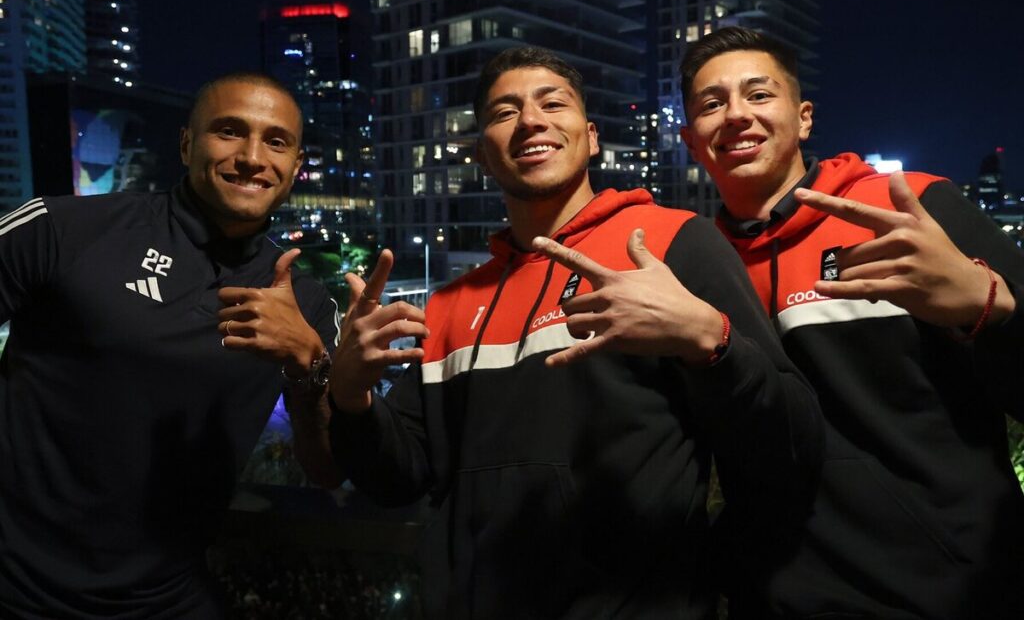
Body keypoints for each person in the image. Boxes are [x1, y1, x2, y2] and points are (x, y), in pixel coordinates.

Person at [327, 47, 822, 619]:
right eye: (504, 112)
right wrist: (349, 396)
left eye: (551, 103)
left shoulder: (673, 244)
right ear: (482, 155)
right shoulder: (446, 304)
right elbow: (397, 480)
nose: (531, 120)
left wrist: (711, 339)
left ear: (591, 138)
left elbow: (792, 441)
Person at [679, 26, 1024, 619]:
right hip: (776, 598)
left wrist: (987, 304)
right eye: (713, 104)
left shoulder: (908, 207)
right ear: (691, 140)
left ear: (804, 117)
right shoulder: (695, 268)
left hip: (952, 590)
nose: (736, 115)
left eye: (759, 95)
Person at [0, 72, 341, 618]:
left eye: (276, 141)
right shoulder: (66, 229)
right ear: (187, 145)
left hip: (170, 598)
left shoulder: (307, 301)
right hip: (18, 589)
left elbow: (326, 470)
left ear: (296, 167)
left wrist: (310, 365)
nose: (253, 156)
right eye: (230, 132)